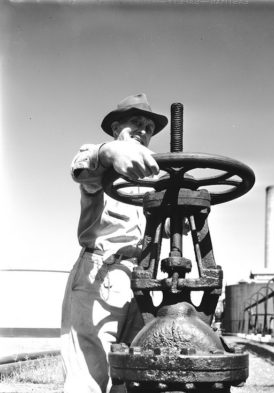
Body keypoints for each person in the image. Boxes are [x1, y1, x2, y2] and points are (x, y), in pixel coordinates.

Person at [61, 93, 168, 393]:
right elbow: (82, 166)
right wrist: (110, 153)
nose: (144, 130)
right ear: (115, 128)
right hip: (99, 275)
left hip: (140, 284)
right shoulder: (102, 166)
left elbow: (166, 225)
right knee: (88, 380)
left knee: (129, 382)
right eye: (135, 123)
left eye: (149, 126)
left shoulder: (152, 179)